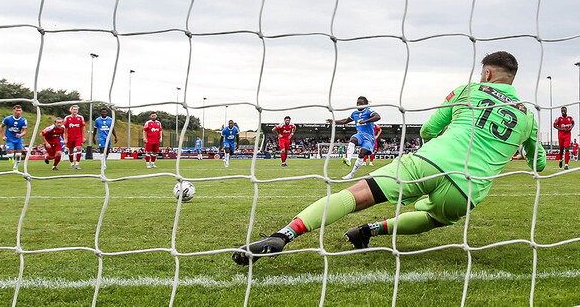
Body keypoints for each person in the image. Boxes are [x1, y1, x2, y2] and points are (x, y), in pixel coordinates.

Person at [233, 51, 545, 266]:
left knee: (354, 196)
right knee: (434, 219)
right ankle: (370, 231)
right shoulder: (528, 116)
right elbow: (538, 164)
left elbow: (429, 129)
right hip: (468, 186)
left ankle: (283, 235)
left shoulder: (469, 90)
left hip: (429, 161)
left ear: (487, 73)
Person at [327, 96, 381, 180]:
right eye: (357, 103)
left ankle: (352, 173)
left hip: (369, 138)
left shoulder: (368, 111)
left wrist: (365, 121)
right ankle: (348, 159)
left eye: (361, 103)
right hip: (360, 134)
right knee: (353, 139)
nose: (358, 105)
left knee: (362, 153)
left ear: (365, 104)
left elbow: (378, 117)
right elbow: (345, 121)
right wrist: (334, 121)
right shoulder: (355, 113)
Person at [0, 105, 28, 170]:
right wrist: (3, 136)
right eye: (17, 110)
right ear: (13, 111)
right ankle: (10, 157)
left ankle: (15, 167)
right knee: (10, 151)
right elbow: (1, 126)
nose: (18, 112)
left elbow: (24, 131)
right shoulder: (8, 119)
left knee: (18, 155)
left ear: (21, 111)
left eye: (19, 110)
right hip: (9, 138)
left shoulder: (23, 120)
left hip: (18, 139)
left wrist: (21, 135)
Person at [63, 105, 86, 170]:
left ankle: (77, 164)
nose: (75, 111)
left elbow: (83, 128)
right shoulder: (67, 118)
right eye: (74, 109)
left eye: (76, 109)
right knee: (70, 150)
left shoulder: (80, 118)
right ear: (71, 110)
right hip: (70, 136)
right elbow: (65, 129)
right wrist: (65, 138)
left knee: (79, 148)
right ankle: (72, 164)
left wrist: (84, 137)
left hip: (78, 136)